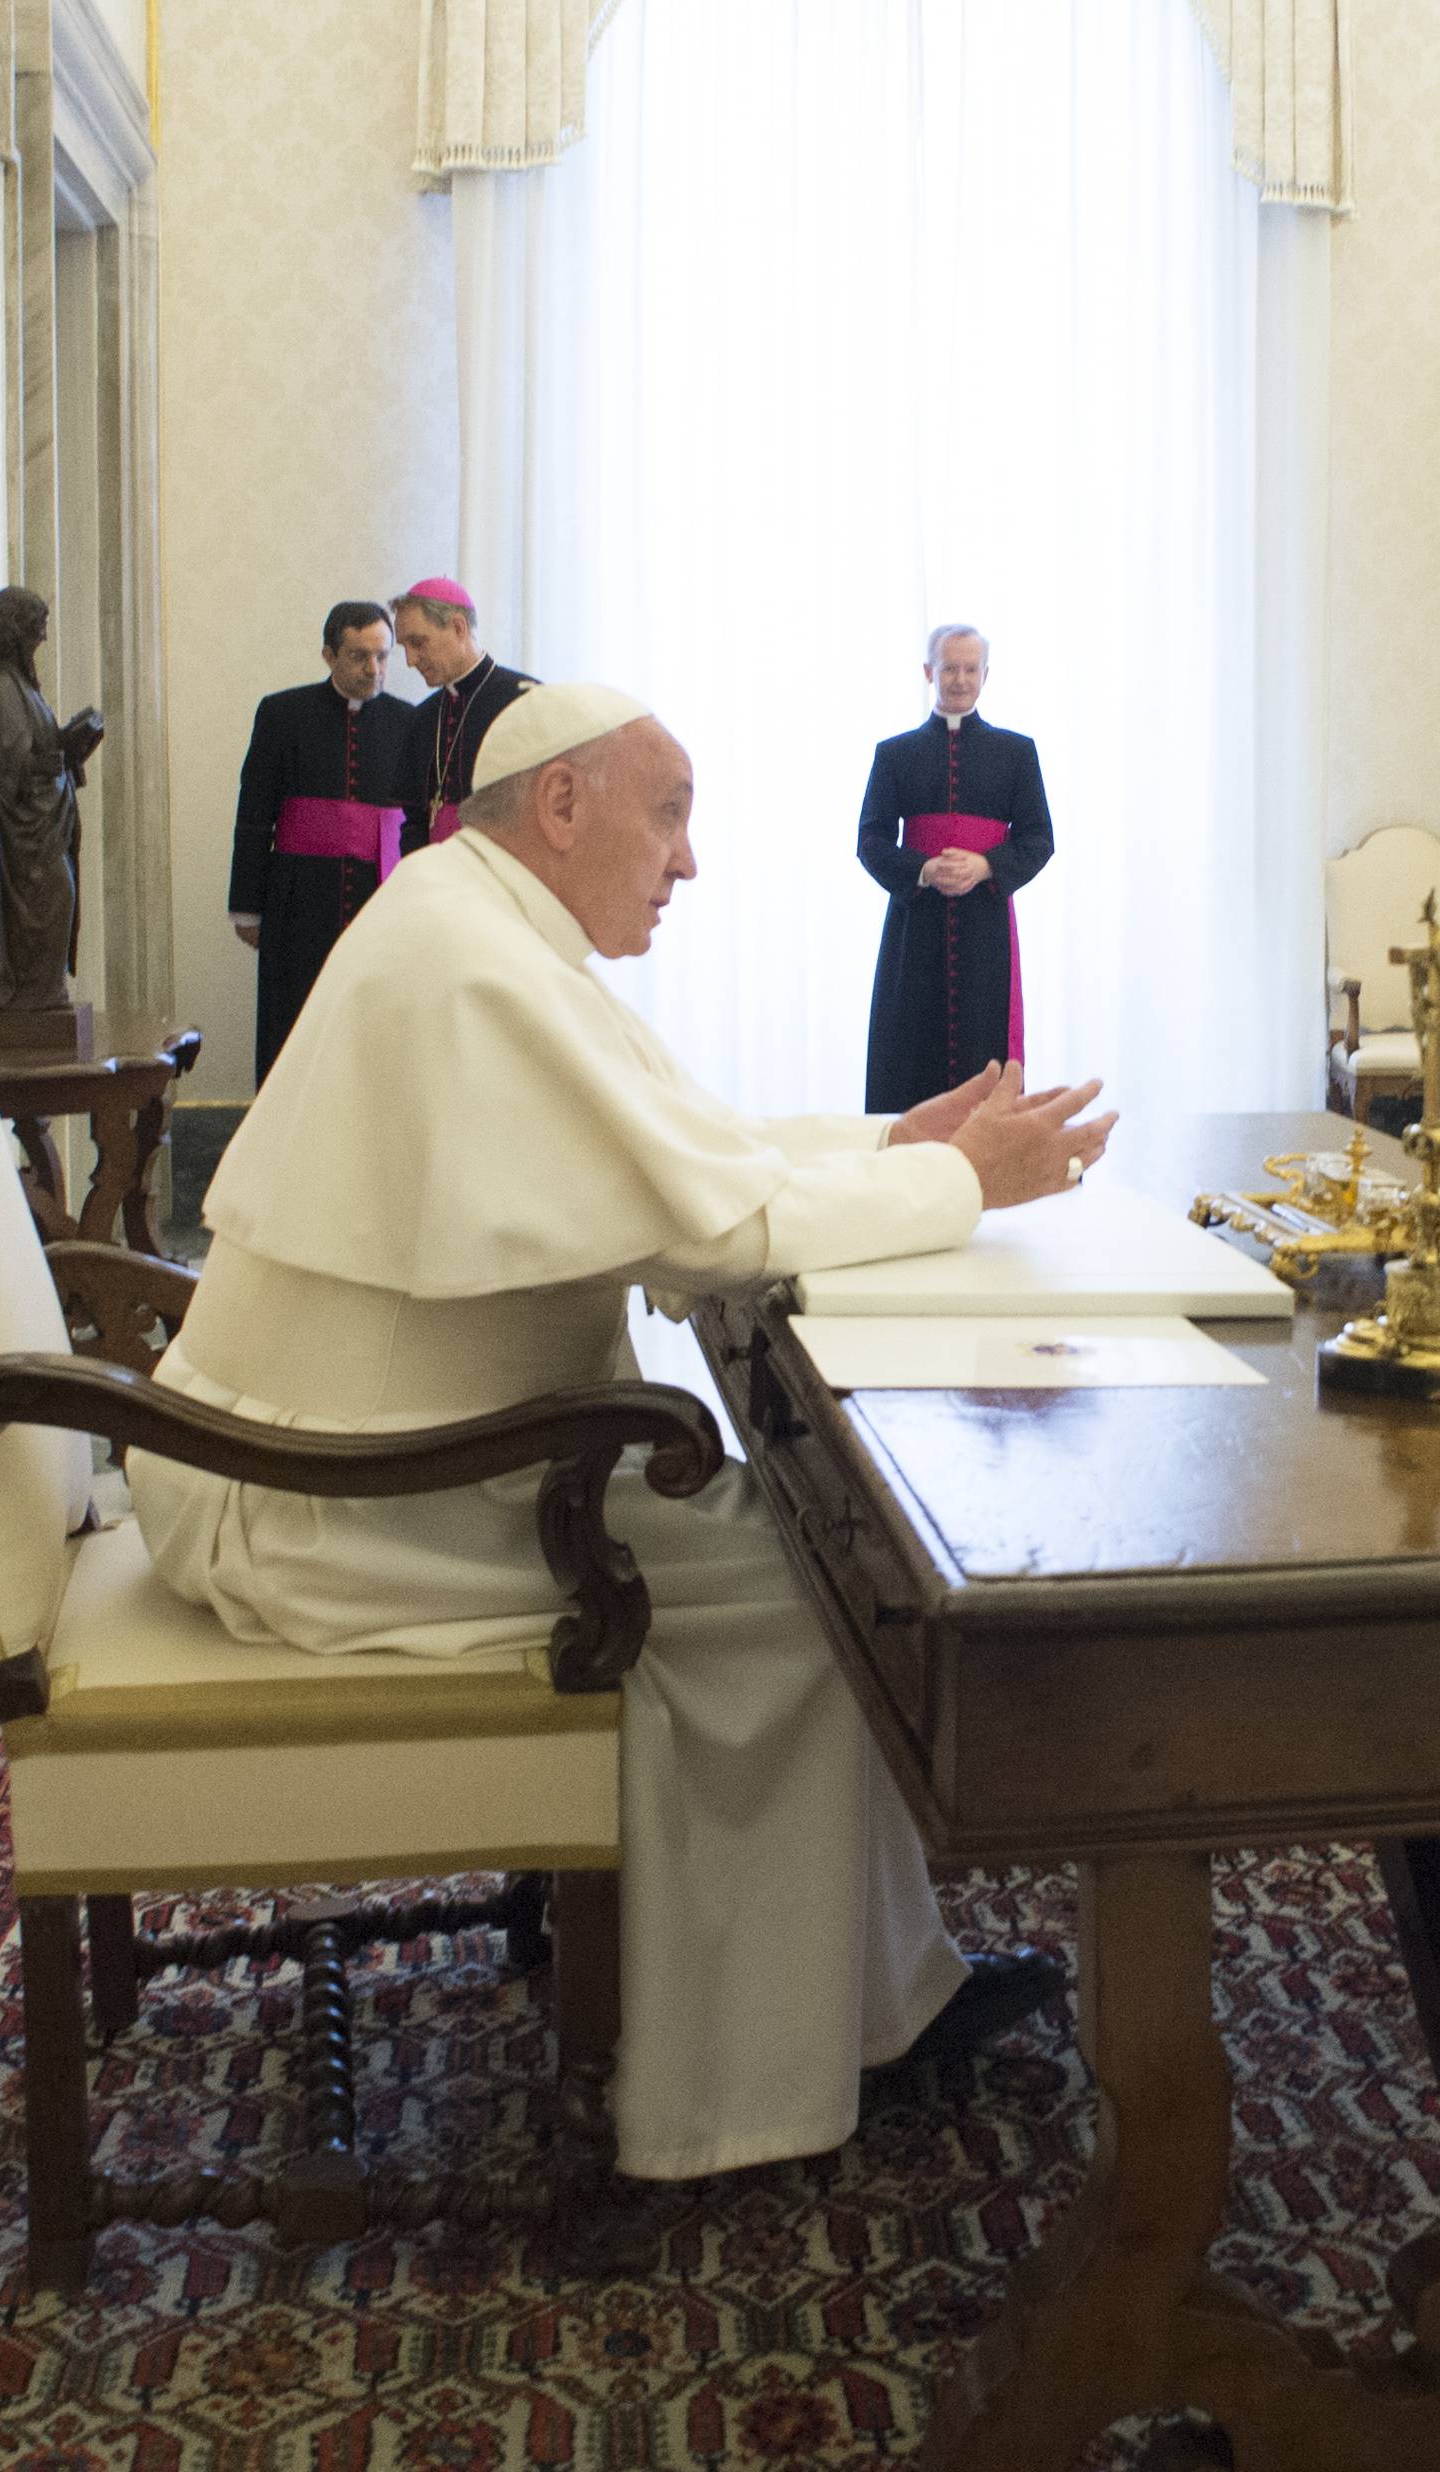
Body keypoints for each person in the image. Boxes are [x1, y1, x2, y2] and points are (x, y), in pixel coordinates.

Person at [124, 679, 1118, 2184]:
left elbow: (686, 1150)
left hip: (388, 1453)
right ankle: (746, 2085)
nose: (689, 862)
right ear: (562, 806)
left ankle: (872, 2000)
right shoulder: (469, 963)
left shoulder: (485, 929)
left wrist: (887, 1146)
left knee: (799, 1556)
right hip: (330, 1499)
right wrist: (964, 1185)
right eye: (670, 815)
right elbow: (709, 1223)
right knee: (817, 1599)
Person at [857, 624, 1053, 1111]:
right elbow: (871, 839)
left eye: (970, 668)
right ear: (929, 671)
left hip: (985, 926)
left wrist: (987, 866)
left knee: (981, 1043)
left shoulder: (1016, 752)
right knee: (908, 1045)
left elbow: (1039, 838)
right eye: (949, 668)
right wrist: (922, 870)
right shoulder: (895, 754)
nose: (960, 679)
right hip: (914, 926)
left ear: (986, 675)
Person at [226, 602, 424, 1075]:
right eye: (359, 656)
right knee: (295, 1024)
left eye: (383, 655)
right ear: (328, 654)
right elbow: (255, 813)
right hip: (299, 901)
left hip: (382, 899)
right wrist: (247, 907)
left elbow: (418, 822)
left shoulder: (411, 721)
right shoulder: (282, 714)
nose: (373, 669)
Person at [0, 586, 102, 1011]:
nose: (43, 639)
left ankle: (46, 996)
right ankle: (32, 998)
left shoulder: (21, 683)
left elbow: (39, 746)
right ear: (13, 627)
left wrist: (71, 745)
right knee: (53, 898)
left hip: (51, 819)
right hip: (29, 829)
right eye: (36, 628)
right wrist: (58, 754)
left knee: (63, 899)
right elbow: (10, 765)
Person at [393, 578, 533, 849]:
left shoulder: (523, 699)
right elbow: (414, 822)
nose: (410, 660)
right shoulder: (423, 717)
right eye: (404, 647)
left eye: (418, 642)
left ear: (459, 627)